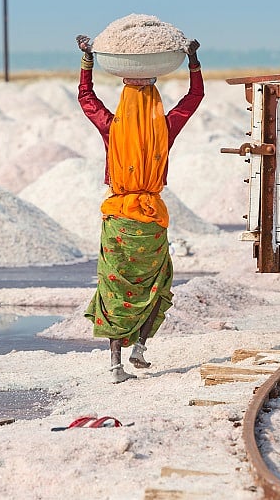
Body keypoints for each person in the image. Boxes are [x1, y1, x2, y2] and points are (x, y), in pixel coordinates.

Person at [76, 33, 203, 383]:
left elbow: (86, 98)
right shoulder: (164, 127)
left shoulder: (111, 127)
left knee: (115, 289)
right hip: (150, 221)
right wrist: (193, 61)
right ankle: (140, 348)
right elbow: (195, 97)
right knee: (156, 282)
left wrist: (87, 60)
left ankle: (115, 365)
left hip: (118, 221)